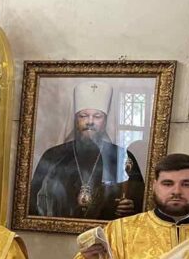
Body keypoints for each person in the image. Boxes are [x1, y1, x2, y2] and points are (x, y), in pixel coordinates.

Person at [29, 81, 143, 220]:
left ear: (105, 121)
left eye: (97, 116)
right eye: (83, 115)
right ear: (76, 120)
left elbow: (140, 205)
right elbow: (33, 202)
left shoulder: (122, 157)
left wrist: (131, 207)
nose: (90, 121)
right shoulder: (53, 156)